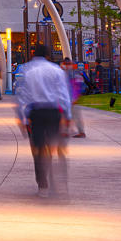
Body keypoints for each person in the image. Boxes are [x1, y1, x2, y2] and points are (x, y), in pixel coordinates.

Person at [17, 44, 72, 198]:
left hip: (36, 113)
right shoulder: (57, 71)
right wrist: (67, 116)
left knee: (38, 149)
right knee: (55, 146)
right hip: (54, 113)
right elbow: (63, 95)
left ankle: (43, 185)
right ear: (48, 55)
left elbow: (23, 96)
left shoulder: (27, 71)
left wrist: (23, 118)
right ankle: (60, 184)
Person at [62, 60, 86, 138]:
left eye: (68, 64)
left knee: (75, 115)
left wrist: (76, 98)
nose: (67, 66)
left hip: (73, 99)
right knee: (66, 116)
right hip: (67, 99)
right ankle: (66, 131)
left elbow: (80, 87)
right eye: (65, 64)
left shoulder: (75, 74)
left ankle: (81, 132)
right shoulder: (65, 74)